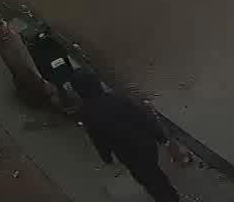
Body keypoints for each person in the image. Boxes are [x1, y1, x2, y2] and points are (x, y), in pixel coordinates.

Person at [69, 72, 180, 202]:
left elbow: (97, 138)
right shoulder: (117, 99)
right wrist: (161, 138)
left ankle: (168, 197)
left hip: (127, 153)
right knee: (153, 171)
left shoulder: (87, 113)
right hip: (145, 144)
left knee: (148, 179)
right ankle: (169, 194)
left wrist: (107, 157)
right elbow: (141, 118)